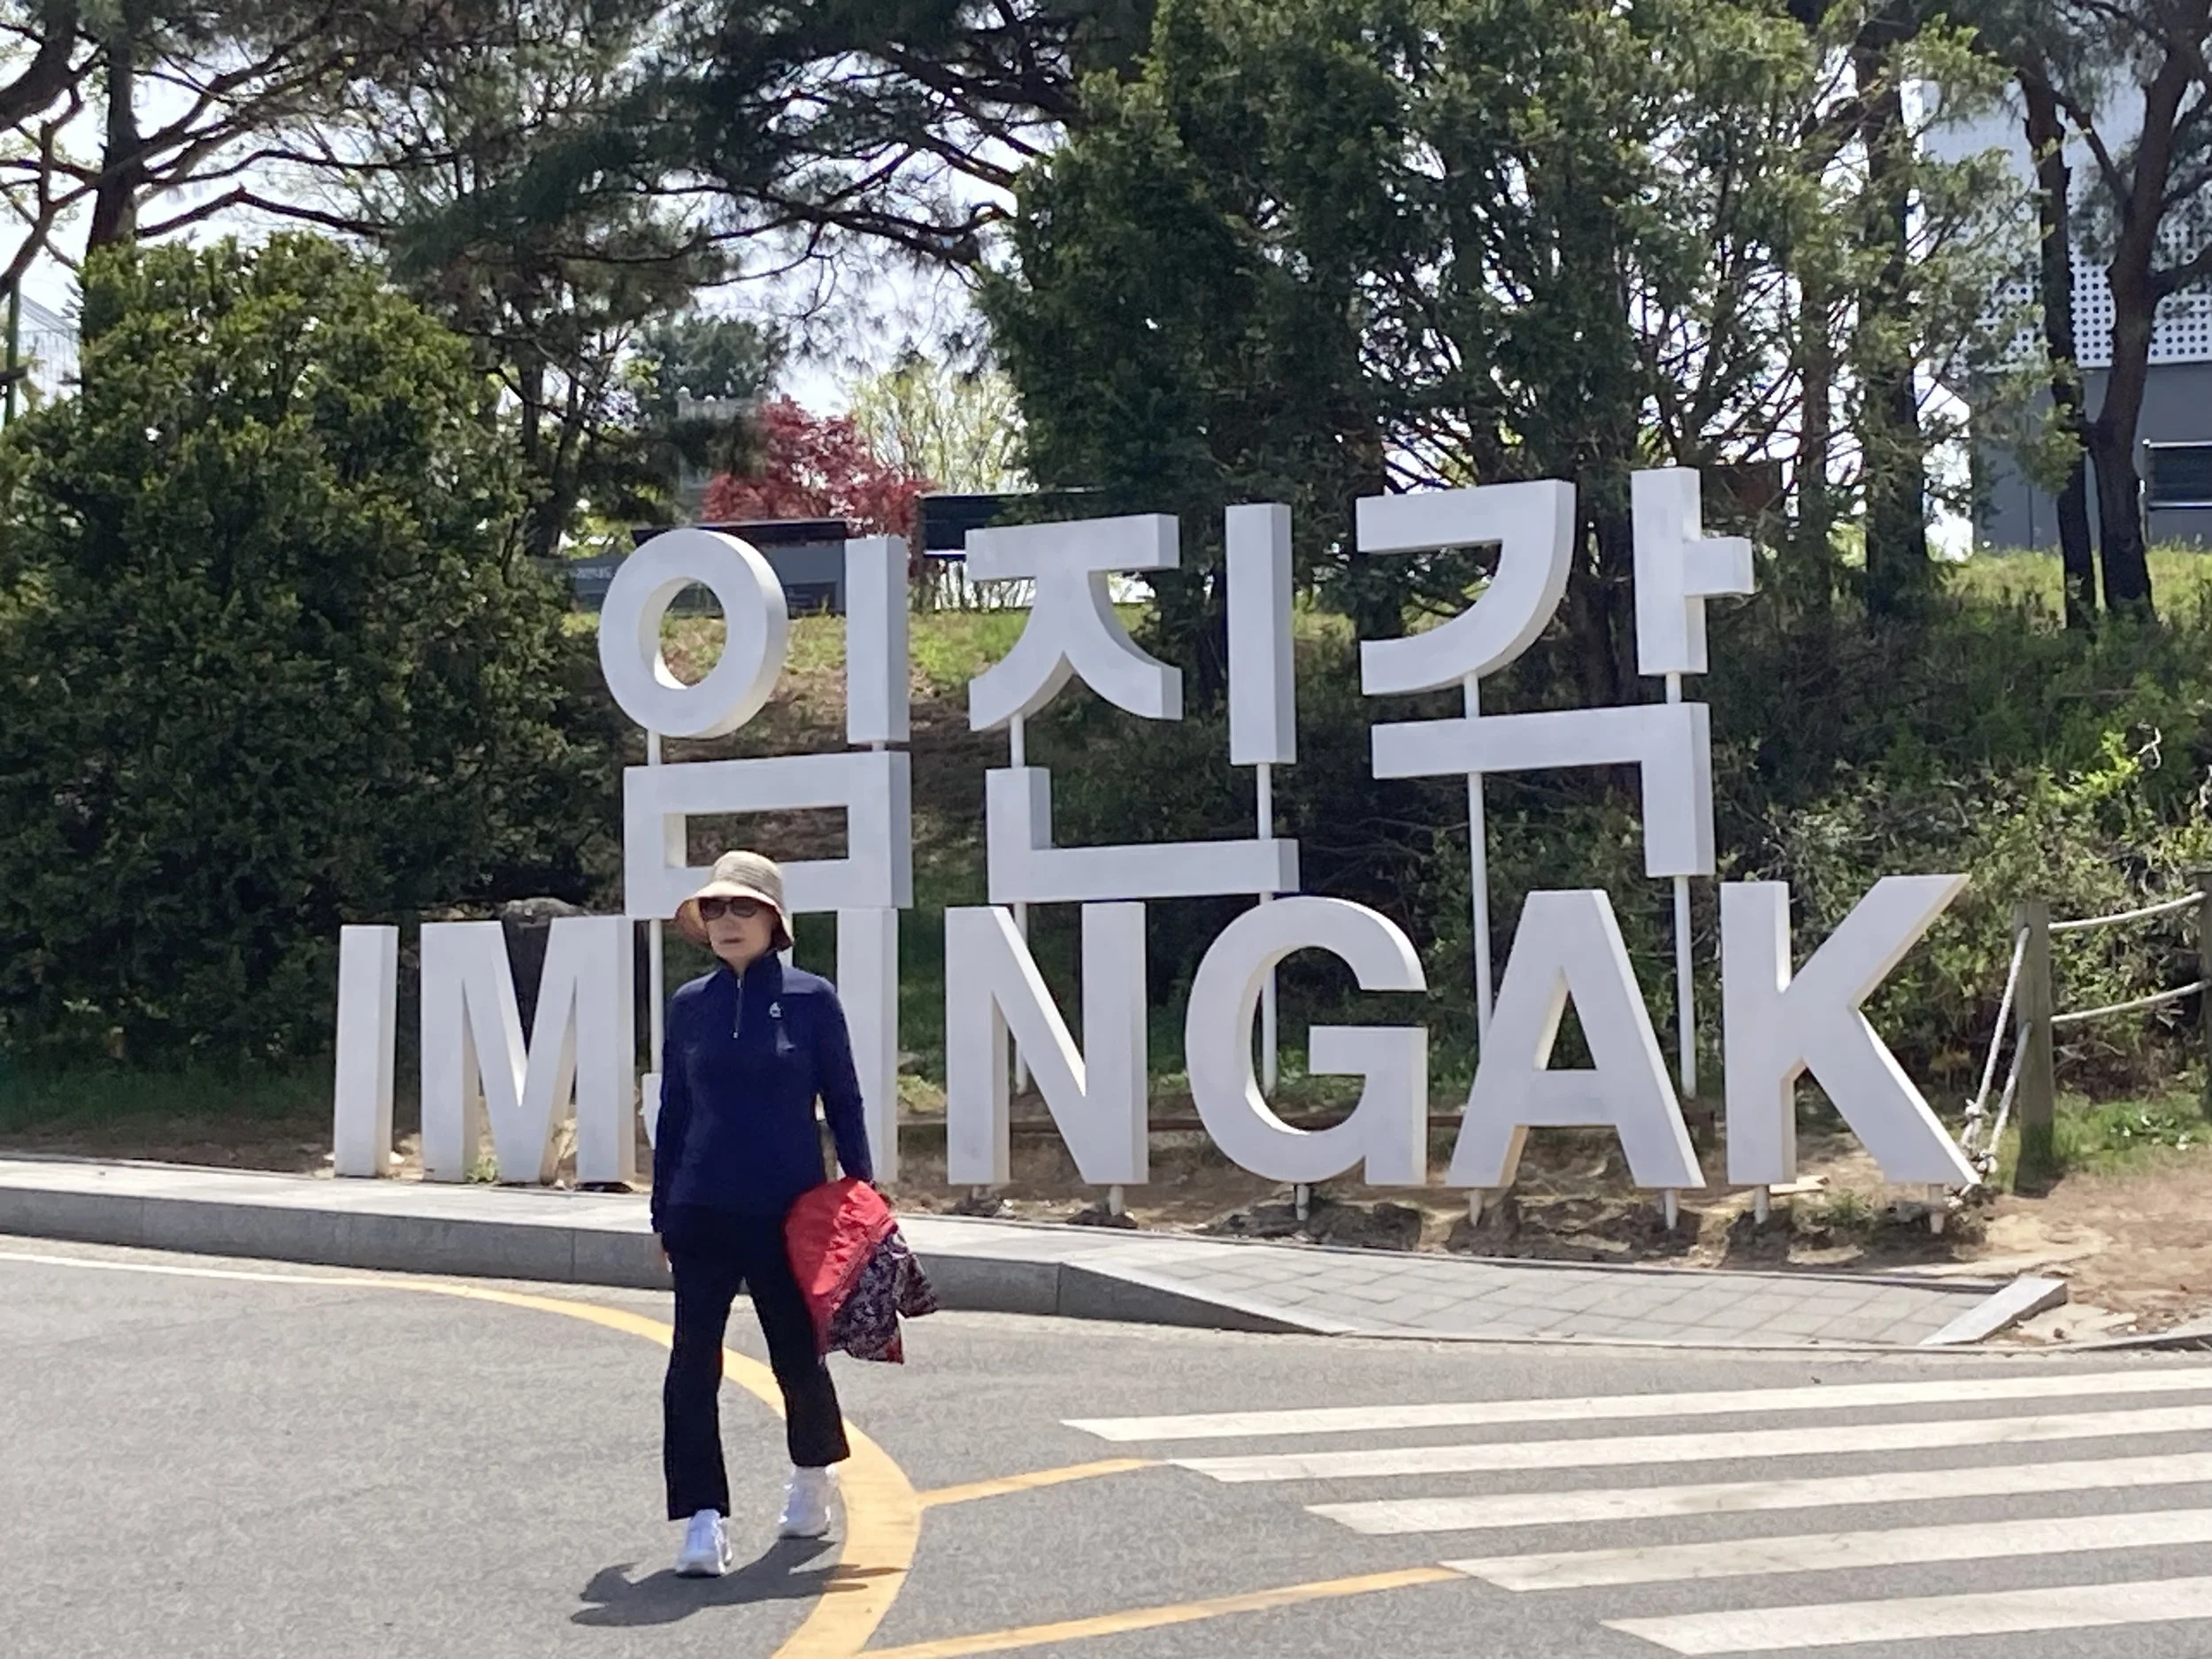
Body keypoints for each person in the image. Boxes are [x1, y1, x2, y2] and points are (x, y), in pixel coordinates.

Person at [652, 849, 874, 1578]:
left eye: (742, 906)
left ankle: (813, 1473)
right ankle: (702, 1517)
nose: (726, 920)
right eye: (714, 908)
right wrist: (661, 1211)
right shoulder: (690, 1004)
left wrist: (862, 1197)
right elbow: (674, 1113)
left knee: (796, 1357)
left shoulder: (813, 999)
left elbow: (844, 1101)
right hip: (701, 1209)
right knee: (691, 1365)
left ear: (773, 919)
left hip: (790, 1213)